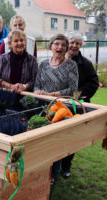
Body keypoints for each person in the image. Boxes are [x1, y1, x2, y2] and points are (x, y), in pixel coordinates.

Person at [33, 34, 78, 184]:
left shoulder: (71, 65)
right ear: (50, 46)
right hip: (42, 107)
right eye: (56, 44)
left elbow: (72, 89)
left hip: (60, 109)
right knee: (40, 142)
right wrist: (38, 92)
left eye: (63, 45)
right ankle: (39, 170)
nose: (59, 47)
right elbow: (37, 84)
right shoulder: (43, 63)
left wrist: (50, 94)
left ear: (66, 48)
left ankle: (53, 174)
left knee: (55, 143)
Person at [60, 32, 99, 178]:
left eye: (77, 43)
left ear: (80, 45)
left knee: (71, 137)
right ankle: (54, 167)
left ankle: (66, 166)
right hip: (59, 103)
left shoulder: (85, 64)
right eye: (72, 42)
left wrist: (78, 95)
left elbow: (94, 82)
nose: (74, 45)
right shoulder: (59, 59)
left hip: (77, 105)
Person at [0, 15, 36, 84]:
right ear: (11, 27)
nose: (18, 27)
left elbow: (34, 61)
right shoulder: (5, 41)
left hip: (26, 81)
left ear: (24, 26)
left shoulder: (32, 41)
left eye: (20, 25)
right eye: (15, 25)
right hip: (9, 81)